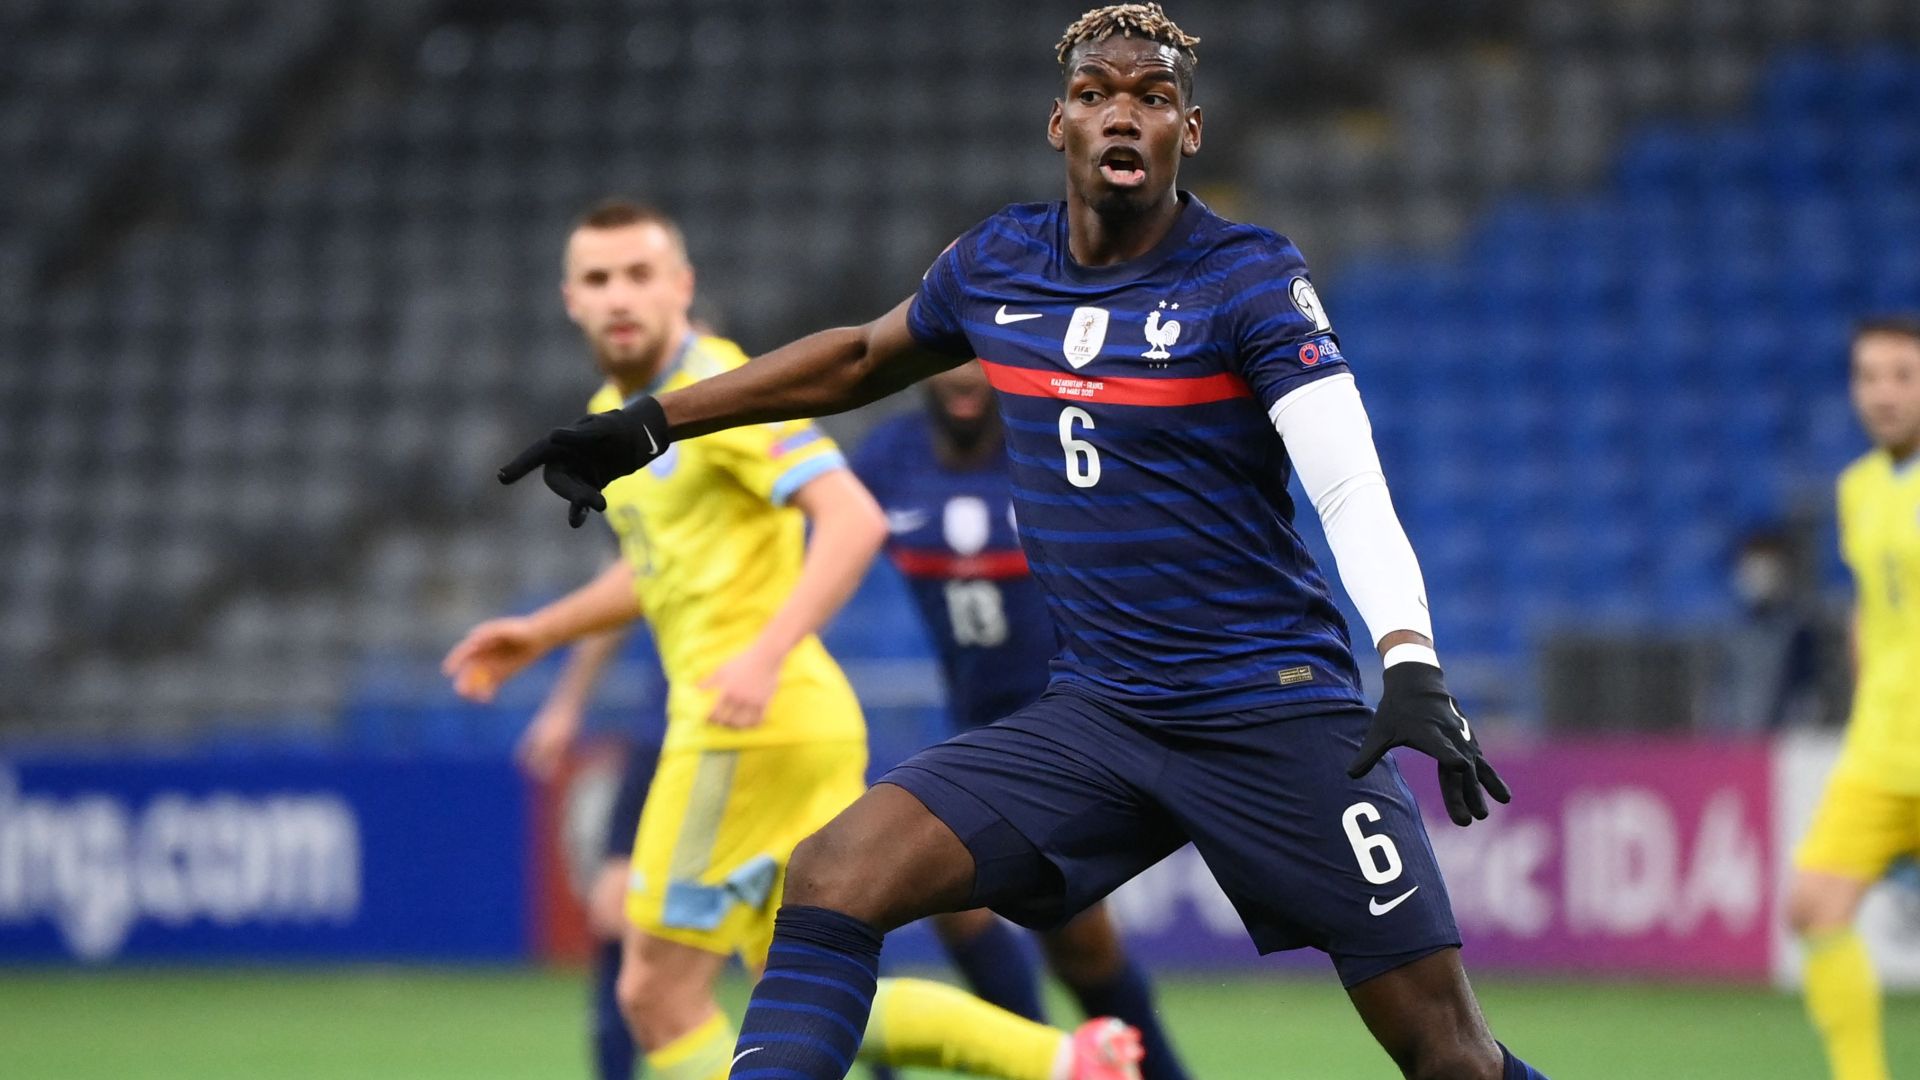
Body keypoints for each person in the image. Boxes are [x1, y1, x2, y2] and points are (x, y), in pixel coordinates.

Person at [497, 6, 1545, 1077]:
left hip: (1272, 708)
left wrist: (1409, 659)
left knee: (1446, 1051)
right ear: (1060, 124)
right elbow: (859, 357)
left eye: (1153, 96)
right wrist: (656, 420)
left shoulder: (1251, 280)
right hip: (1100, 713)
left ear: (1193, 128)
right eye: (1097, 95)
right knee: (835, 873)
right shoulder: (1001, 262)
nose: (1122, 114)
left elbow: (1348, 481)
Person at [447, 198, 1147, 1080]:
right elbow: (656, 566)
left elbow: (850, 518)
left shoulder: (716, 390)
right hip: (790, 732)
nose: (619, 295)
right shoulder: (615, 414)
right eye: (598, 278)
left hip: (741, 729)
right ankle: (1062, 1061)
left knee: (654, 999)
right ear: (569, 299)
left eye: (639, 274)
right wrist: (539, 632)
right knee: (804, 983)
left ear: (682, 287)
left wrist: (764, 653)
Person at [850, 362, 1191, 1080]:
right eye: (946, 356)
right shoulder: (889, 459)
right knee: (965, 907)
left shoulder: (1055, 446)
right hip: (976, 730)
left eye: (979, 351)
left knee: (1067, 938)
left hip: (1072, 726)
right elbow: (817, 531)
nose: (965, 372)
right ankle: (1059, 1064)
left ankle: (1075, 1065)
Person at [1786, 315, 1920, 1080]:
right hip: (1879, 752)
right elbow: (1875, 600)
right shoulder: (1859, 488)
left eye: (1903, 375)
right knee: (1813, 908)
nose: (1885, 393)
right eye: (1870, 376)